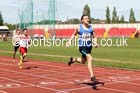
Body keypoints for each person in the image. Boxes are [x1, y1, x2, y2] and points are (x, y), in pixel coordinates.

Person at [66, 15, 98, 83]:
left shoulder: (91, 28)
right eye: (85, 18)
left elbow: (95, 36)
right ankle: (92, 76)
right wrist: (69, 41)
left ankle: (73, 60)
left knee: (83, 61)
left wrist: (95, 42)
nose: (87, 19)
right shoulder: (79, 28)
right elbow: (74, 34)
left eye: (88, 18)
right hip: (82, 47)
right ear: (82, 20)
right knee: (90, 58)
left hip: (89, 48)